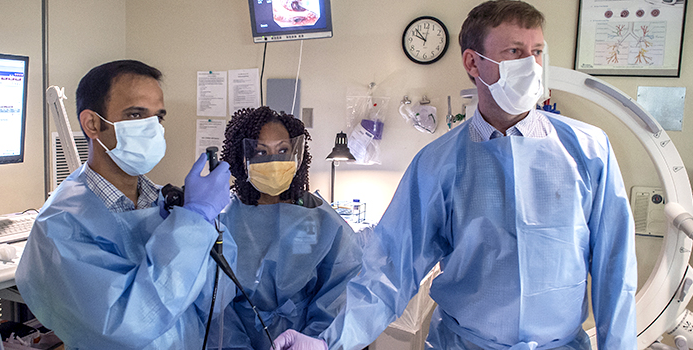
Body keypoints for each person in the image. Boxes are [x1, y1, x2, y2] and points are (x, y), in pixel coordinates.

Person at [273, 1, 637, 349]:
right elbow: (389, 272)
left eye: (537, 51)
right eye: (514, 52)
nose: (531, 65)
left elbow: (614, 270)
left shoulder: (588, 150)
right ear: (473, 63)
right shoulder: (439, 164)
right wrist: (328, 341)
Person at [15, 60, 234, 349]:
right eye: (135, 115)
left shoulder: (165, 204)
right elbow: (129, 323)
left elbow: (218, 294)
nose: (152, 129)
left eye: (158, 117)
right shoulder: (61, 224)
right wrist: (194, 223)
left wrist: (205, 223)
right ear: (93, 123)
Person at [209, 106, 362, 350]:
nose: (273, 161)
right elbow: (215, 306)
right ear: (242, 159)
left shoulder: (320, 219)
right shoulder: (223, 219)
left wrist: (312, 341)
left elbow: (339, 293)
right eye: (260, 152)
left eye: (282, 150)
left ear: (296, 155)